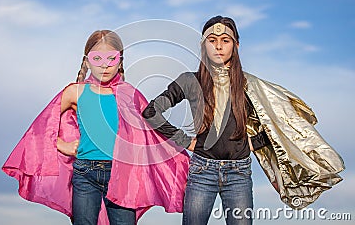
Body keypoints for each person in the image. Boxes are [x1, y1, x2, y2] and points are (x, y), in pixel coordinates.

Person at [142, 16, 344, 225]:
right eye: (212, 40)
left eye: (225, 40)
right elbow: (151, 112)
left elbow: (277, 127)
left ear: (236, 45)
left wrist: (251, 143)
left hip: (239, 173)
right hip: (202, 171)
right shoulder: (189, 81)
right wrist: (185, 141)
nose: (218, 46)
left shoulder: (250, 86)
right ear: (203, 45)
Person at [3, 30, 190, 225]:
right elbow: (41, 127)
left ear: (120, 60)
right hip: (85, 173)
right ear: (87, 60)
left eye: (111, 59)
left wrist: (181, 153)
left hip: (123, 176)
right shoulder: (75, 91)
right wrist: (61, 145)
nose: (104, 65)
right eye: (97, 58)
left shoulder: (130, 94)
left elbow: (152, 134)